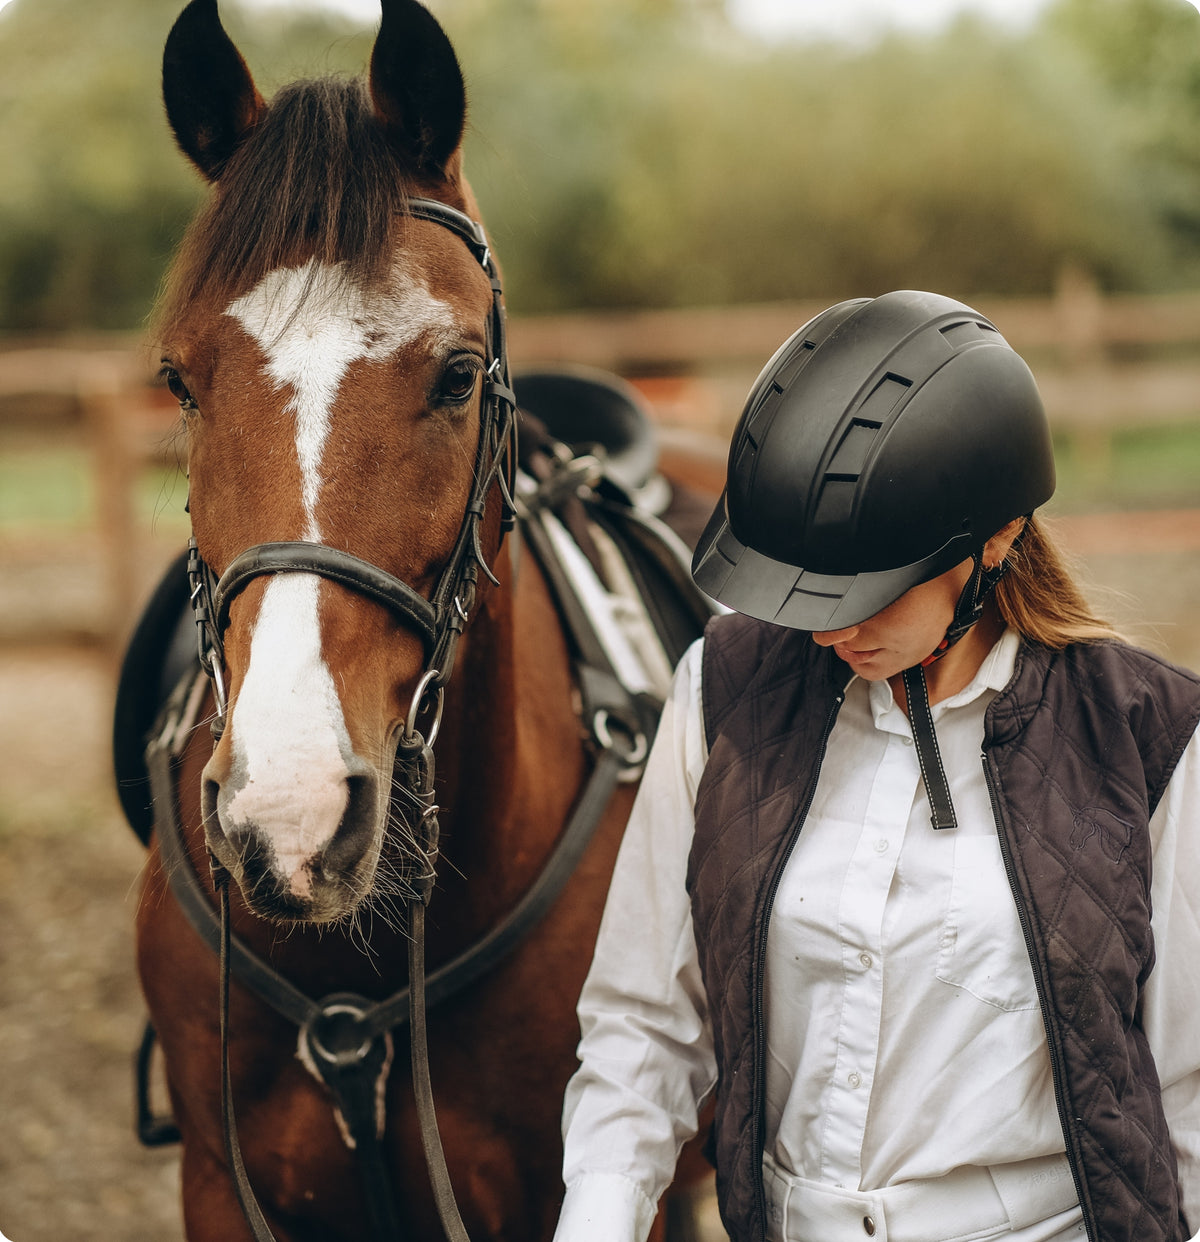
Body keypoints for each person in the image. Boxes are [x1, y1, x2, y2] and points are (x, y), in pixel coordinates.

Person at [551, 290, 1200, 1242]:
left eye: (874, 594)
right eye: (811, 595)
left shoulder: (1151, 739)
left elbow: (1192, 1090)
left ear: (998, 535)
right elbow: (644, 1028)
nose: (836, 627)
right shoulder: (721, 690)